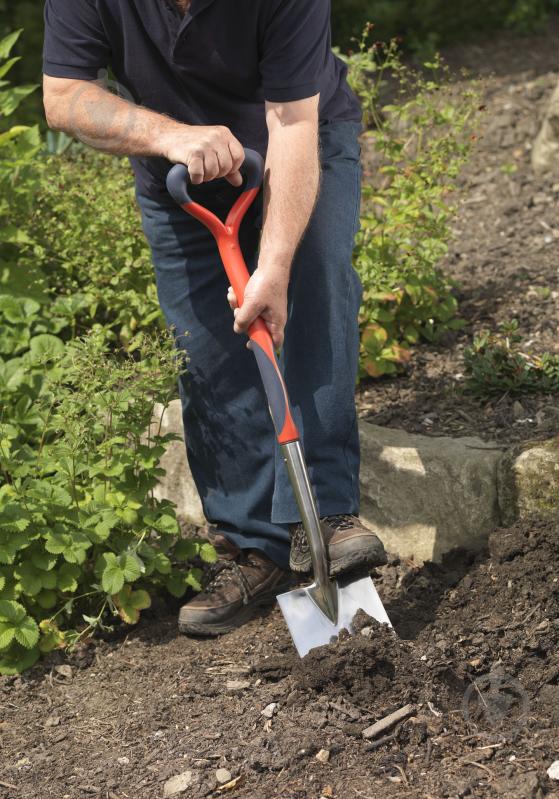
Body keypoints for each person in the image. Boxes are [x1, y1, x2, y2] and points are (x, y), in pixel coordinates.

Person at [42, 0, 387, 637]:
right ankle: (256, 547)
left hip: (300, 138)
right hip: (177, 172)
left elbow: (292, 122)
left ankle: (330, 517)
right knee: (206, 346)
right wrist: (172, 137)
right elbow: (64, 95)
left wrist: (275, 265)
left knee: (315, 285)